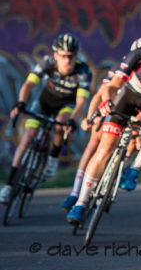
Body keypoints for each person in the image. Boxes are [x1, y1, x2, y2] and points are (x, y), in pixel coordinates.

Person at [66, 26, 141, 224]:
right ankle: (81, 202)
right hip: (127, 97)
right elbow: (112, 87)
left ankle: (135, 168)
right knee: (104, 149)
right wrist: (106, 103)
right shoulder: (137, 55)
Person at [0, 34, 92, 204]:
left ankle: (53, 158)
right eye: (63, 56)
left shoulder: (83, 71)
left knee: (61, 123)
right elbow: (28, 84)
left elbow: (81, 101)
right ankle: (9, 185)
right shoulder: (47, 63)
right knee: (27, 137)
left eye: (71, 56)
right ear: (55, 55)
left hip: (67, 106)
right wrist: (20, 102)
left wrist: (73, 119)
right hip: (44, 102)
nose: (67, 61)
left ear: (76, 56)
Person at [59, 36, 141, 211]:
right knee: (94, 142)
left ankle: (118, 170)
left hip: (133, 112)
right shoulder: (120, 68)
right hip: (112, 108)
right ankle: (75, 193)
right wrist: (92, 117)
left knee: (133, 137)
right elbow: (100, 95)